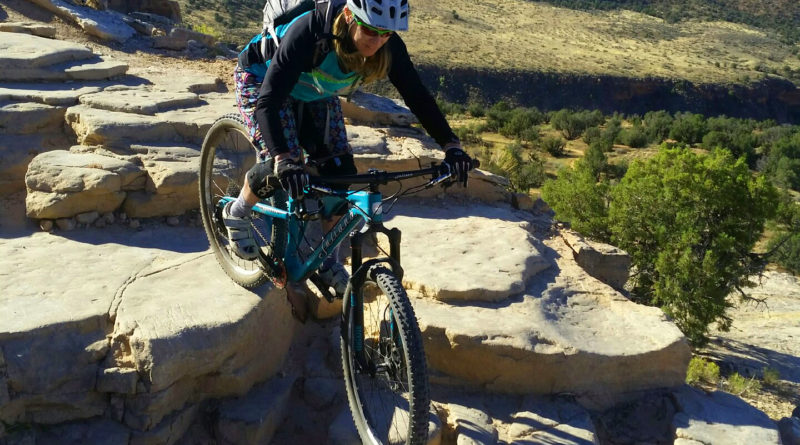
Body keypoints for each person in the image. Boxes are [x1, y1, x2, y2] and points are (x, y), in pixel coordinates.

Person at [226, 0, 474, 320]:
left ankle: (327, 260)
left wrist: (451, 146)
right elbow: (270, 101)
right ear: (348, 16)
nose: (376, 40)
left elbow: (417, 95)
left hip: (314, 91)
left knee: (341, 175)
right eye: (370, 29)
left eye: (386, 33)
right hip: (263, 82)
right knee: (279, 165)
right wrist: (285, 157)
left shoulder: (387, 46)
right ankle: (237, 213)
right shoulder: (310, 32)